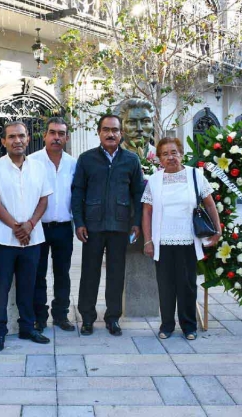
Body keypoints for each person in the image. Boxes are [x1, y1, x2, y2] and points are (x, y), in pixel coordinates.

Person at [141, 137, 222, 340]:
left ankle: (189, 326)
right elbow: (147, 212)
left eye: (174, 152)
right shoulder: (154, 180)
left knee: (187, 284)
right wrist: (148, 240)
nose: (170, 157)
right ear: (159, 159)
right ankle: (167, 325)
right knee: (165, 285)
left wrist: (218, 230)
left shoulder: (196, 175)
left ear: (181, 154)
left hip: (188, 240)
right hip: (163, 242)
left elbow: (210, 204)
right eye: (165, 154)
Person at [71, 114, 144, 337]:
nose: (110, 134)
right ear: (99, 132)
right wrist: (80, 222)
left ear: (121, 133)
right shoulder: (86, 159)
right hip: (92, 227)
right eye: (106, 129)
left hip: (120, 226)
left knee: (116, 274)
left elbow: (138, 194)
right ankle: (87, 318)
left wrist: (136, 223)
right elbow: (77, 192)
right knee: (89, 274)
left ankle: (113, 318)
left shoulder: (131, 160)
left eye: (114, 130)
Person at [0, 120, 53, 352]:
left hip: (33, 239)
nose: (17, 141)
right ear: (3, 141)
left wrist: (31, 224)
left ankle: (27, 327)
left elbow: (44, 199)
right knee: (1, 288)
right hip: (4, 240)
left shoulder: (39, 167)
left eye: (21, 136)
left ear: (28, 138)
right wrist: (17, 227)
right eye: (12, 137)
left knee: (28, 286)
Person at [29, 117, 77, 332]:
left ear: (66, 138)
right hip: (38, 227)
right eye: (52, 132)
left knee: (62, 273)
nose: (56, 137)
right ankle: (39, 316)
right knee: (38, 273)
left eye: (61, 133)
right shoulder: (31, 161)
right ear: (45, 135)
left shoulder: (73, 163)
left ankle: (61, 315)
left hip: (64, 227)